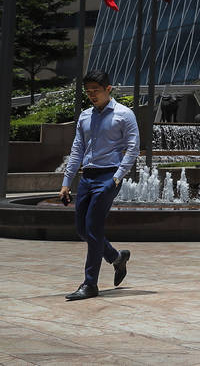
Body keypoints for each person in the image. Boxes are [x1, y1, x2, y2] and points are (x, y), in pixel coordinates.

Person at [59, 70, 140, 300]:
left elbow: (133, 148)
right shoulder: (85, 116)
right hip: (87, 176)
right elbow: (77, 150)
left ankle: (90, 284)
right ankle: (117, 257)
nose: (92, 94)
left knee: (93, 228)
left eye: (96, 90)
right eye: (88, 91)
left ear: (108, 89)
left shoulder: (125, 114)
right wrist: (66, 182)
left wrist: (118, 176)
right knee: (82, 229)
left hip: (108, 177)